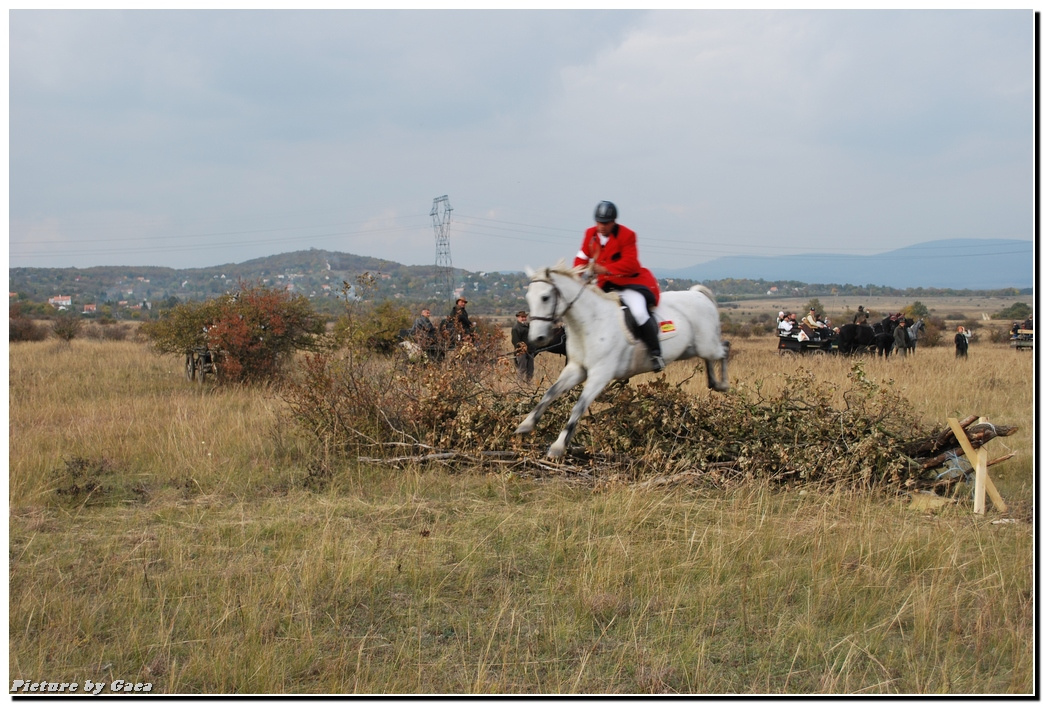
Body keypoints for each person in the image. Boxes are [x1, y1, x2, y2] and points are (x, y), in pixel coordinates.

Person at [573, 201, 665, 372]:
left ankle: (655, 353)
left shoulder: (628, 235)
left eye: (605, 223)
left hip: (629, 282)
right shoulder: (590, 234)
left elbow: (631, 263)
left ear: (613, 222)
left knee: (638, 311)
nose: (601, 226)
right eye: (599, 222)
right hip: (604, 283)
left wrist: (606, 269)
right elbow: (581, 257)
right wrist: (578, 275)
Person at [511, 310, 534, 382]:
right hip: (521, 352)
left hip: (530, 351)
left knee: (530, 369)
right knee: (522, 369)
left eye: (525, 317)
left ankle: (529, 385)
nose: (524, 318)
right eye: (522, 317)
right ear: (518, 317)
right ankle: (519, 386)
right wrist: (522, 349)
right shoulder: (516, 328)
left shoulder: (528, 326)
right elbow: (515, 342)